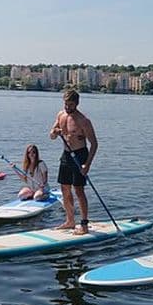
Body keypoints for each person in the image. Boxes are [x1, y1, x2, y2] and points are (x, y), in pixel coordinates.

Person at [49, 89, 97, 235]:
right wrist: (55, 133)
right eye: (65, 104)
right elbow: (51, 135)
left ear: (76, 103)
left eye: (70, 104)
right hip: (66, 155)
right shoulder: (61, 115)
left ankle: (84, 224)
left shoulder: (84, 121)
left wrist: (87, 165)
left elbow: (94, 144)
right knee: (64, 188)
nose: (67, 107)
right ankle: (70, 220)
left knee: (79, 190)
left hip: (80, 155)